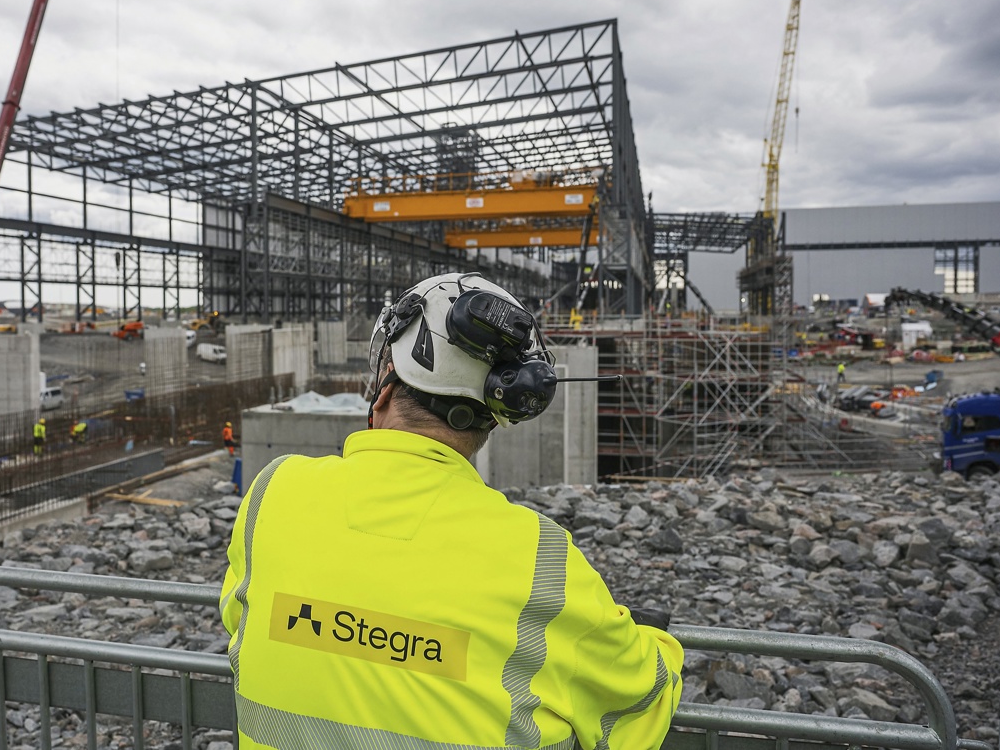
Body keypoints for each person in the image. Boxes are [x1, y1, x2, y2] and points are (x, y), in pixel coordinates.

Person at [220, 272, 683, 750]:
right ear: (494, 417)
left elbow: (241, 619)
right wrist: (655, 643)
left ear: (384, 389)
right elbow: (641, 701)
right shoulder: (537, 557)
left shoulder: (274, 492)